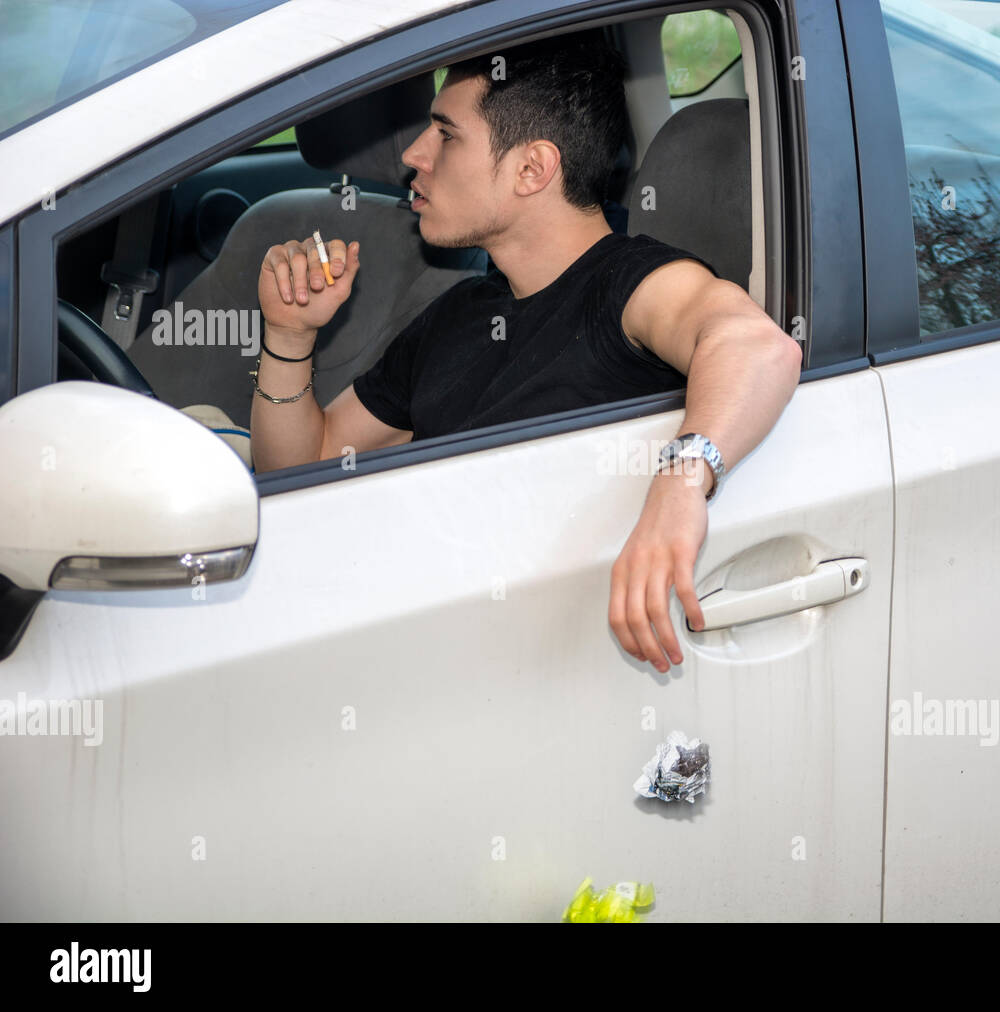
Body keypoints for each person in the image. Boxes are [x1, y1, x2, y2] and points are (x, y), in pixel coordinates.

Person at [249, 33, 802, 673]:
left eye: (445, 135)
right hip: (426, 636)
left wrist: (680, 487)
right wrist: (289, 338)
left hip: (531, 660)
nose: (413, 155)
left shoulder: (628, 283)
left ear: (532, 169)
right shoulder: (460, 312)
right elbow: (303, 467)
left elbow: (756, 344)